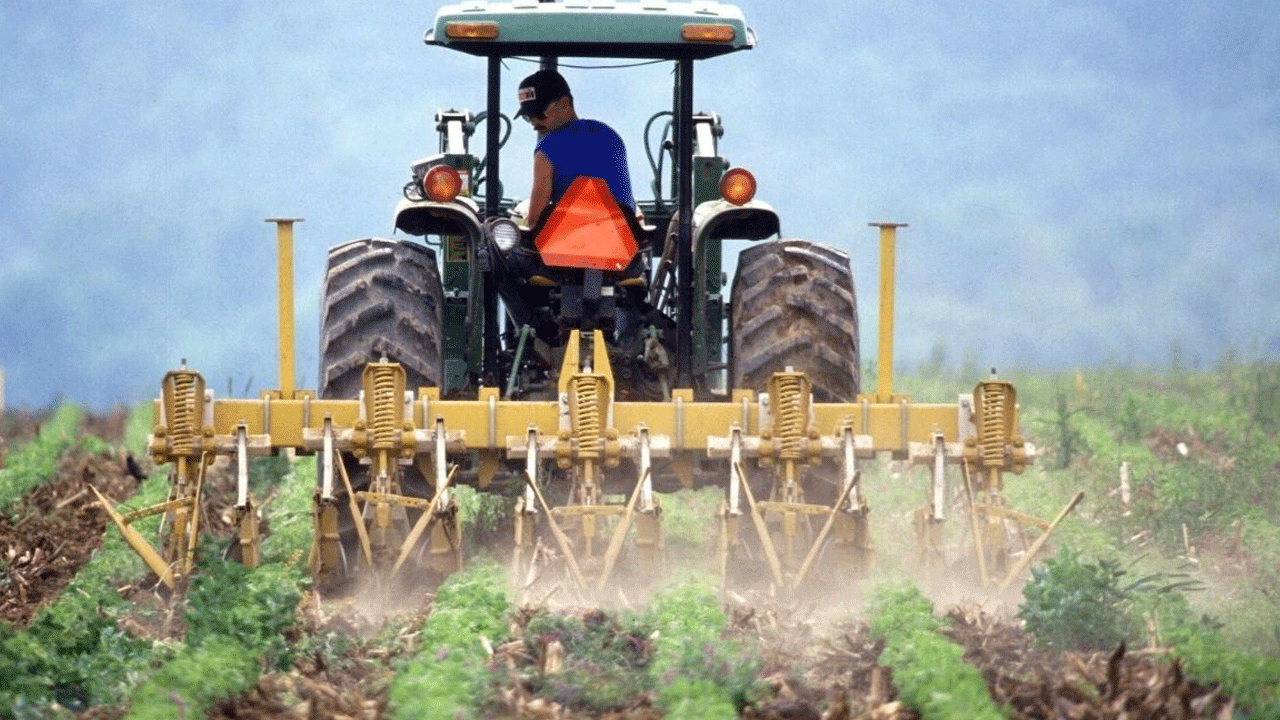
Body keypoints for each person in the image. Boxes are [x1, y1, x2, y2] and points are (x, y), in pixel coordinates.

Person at [515, 69, 636, 228]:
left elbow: (535, 221)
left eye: (539, 114)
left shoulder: (547, 149)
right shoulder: (611, 136)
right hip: (624, 237)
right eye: (528, 117)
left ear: (564, 104)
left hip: (574, 239)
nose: (534, 123)